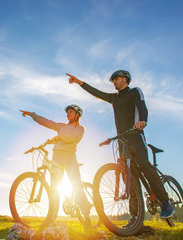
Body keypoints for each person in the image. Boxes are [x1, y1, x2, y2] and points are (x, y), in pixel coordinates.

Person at [66, 70, 175, 224]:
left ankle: (165, 202)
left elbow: (142, 107)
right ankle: (135, 217)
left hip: (136, 135)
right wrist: (79, 82)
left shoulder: (135, 92)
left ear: (125, 79)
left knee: (144, 165)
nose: (114, 82)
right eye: (113, 80)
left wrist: (142, 120)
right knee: (129, 178)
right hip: (123, 141)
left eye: (116, 79)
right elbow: (97, 93)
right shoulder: (114, 98)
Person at [20, 105, 91, 228]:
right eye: (67, 112)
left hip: (70, 158)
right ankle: (52, 218)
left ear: (77, 115)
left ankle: (86, 217)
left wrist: (60, 137)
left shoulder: (80, 128)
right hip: (56, 157)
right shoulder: (61, 126)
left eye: (71, 112)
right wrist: (33, 115)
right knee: (54, 188)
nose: (68, 114)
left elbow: (74, 138)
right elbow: (47, 122)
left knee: (77, 186)